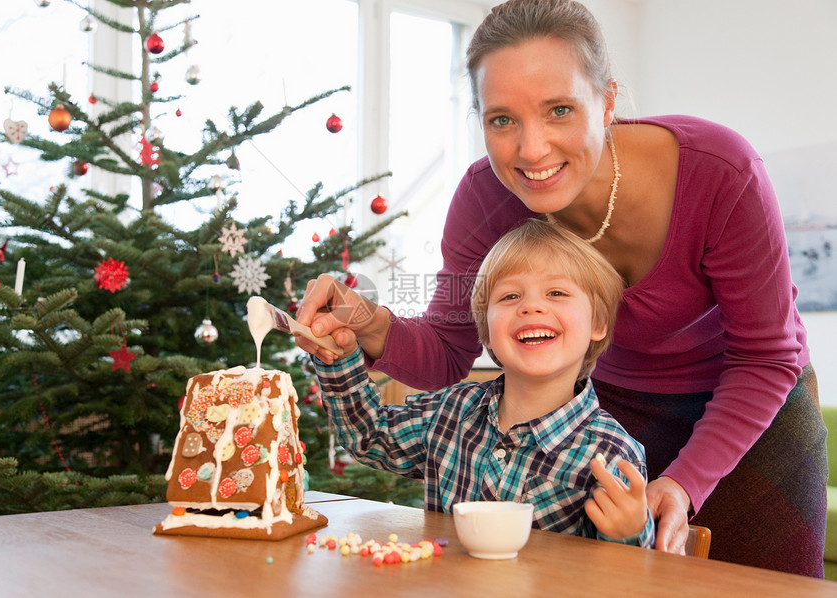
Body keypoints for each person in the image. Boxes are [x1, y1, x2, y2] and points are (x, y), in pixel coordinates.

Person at [297, 0, 826, 577]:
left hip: (751, 413)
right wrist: (372, 324)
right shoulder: (481, 200)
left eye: (559, 110)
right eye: (502, 120)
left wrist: (683, 481)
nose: (532, 150)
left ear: (607, 101)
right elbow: (448, 350)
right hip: (612, 411)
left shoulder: (722, 173)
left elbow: (765, 357)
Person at [313, 218, 655, 546]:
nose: (531, 307)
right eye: (510, 297)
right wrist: (338, 357)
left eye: (556, 293)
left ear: (598, 323)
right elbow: (368, 434)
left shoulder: (612, 455)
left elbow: (627, 580)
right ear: (487, 333)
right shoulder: (449, 413)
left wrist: (628, 532)